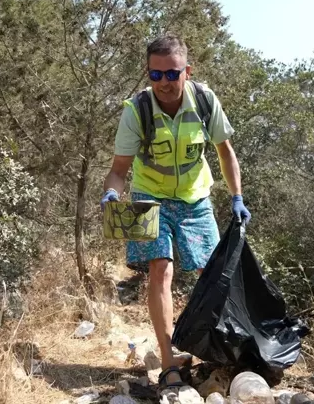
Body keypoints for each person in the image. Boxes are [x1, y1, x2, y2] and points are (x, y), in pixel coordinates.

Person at [100, 33, 251, 390]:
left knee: (213, 275)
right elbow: (119, 168)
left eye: (172, 74)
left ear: (187, 70)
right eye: (156, 75)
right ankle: (169, 364)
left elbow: (225, 152)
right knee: (160, 272)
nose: (164, 83)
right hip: (148, 197)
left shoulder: (204, 100)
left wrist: (236, 197)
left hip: (195, 198)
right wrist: (110, 192)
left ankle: (216, 351)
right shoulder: (136, 110)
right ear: (148, 74)